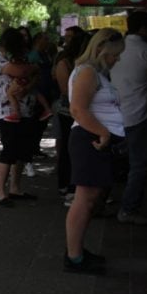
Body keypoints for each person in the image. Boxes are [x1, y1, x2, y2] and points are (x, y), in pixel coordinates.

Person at [64, 28, 126, 275]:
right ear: (101, 50)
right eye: (114, 55)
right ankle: (74, 256)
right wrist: (104, 133)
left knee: (89, 201)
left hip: (94, 138)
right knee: (84, 200)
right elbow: (78, 109)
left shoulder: (93, 73)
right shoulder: (88, 72)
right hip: (90, 140)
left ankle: (76, 251)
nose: (117, 59)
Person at [111, 11, 147, 225]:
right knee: (140, 164)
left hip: (116, 114)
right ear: (144, 28)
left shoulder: (117, 48)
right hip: (139, 115)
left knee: (117, 158)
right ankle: (128, 209)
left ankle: (102, 200)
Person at [0, 27, 38, 206]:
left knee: (21, 151)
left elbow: (30, 74)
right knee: (9, 151)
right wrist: (33, 68)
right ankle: (0, 192)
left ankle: (15, 187)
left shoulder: (14, 58)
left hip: (24, 109)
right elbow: (22, 72)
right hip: (6, 111)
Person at [52, 27, 88, 204]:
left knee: (74, 149)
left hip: (79, 109)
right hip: (68, 111)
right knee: (67, 148)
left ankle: (73, 185)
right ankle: (65, 185)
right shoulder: (64, 62)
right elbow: (65, 90)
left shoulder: (80, 63)